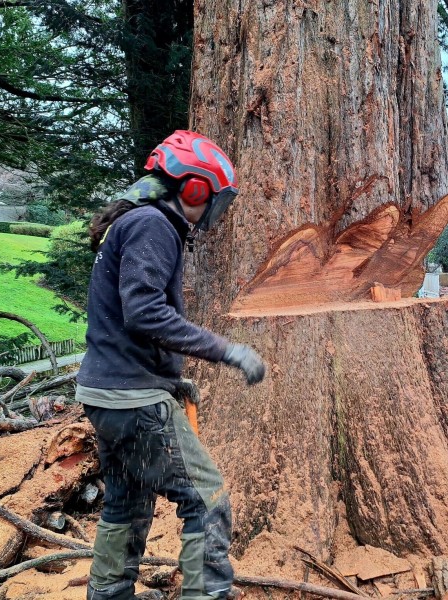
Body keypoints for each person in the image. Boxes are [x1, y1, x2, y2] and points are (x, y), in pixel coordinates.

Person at [77, 130, 266, 600]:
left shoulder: (135, 221)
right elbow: (144, 313)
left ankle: (108, 594)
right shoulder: (153, 225)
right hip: (132, 399)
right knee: (207, 500)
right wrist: (226, 350)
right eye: (213, 199)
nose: (213, 212)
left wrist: (169, 377)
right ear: (194, 188)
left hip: (108, 393)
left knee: (127, 500)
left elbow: (126, 321)